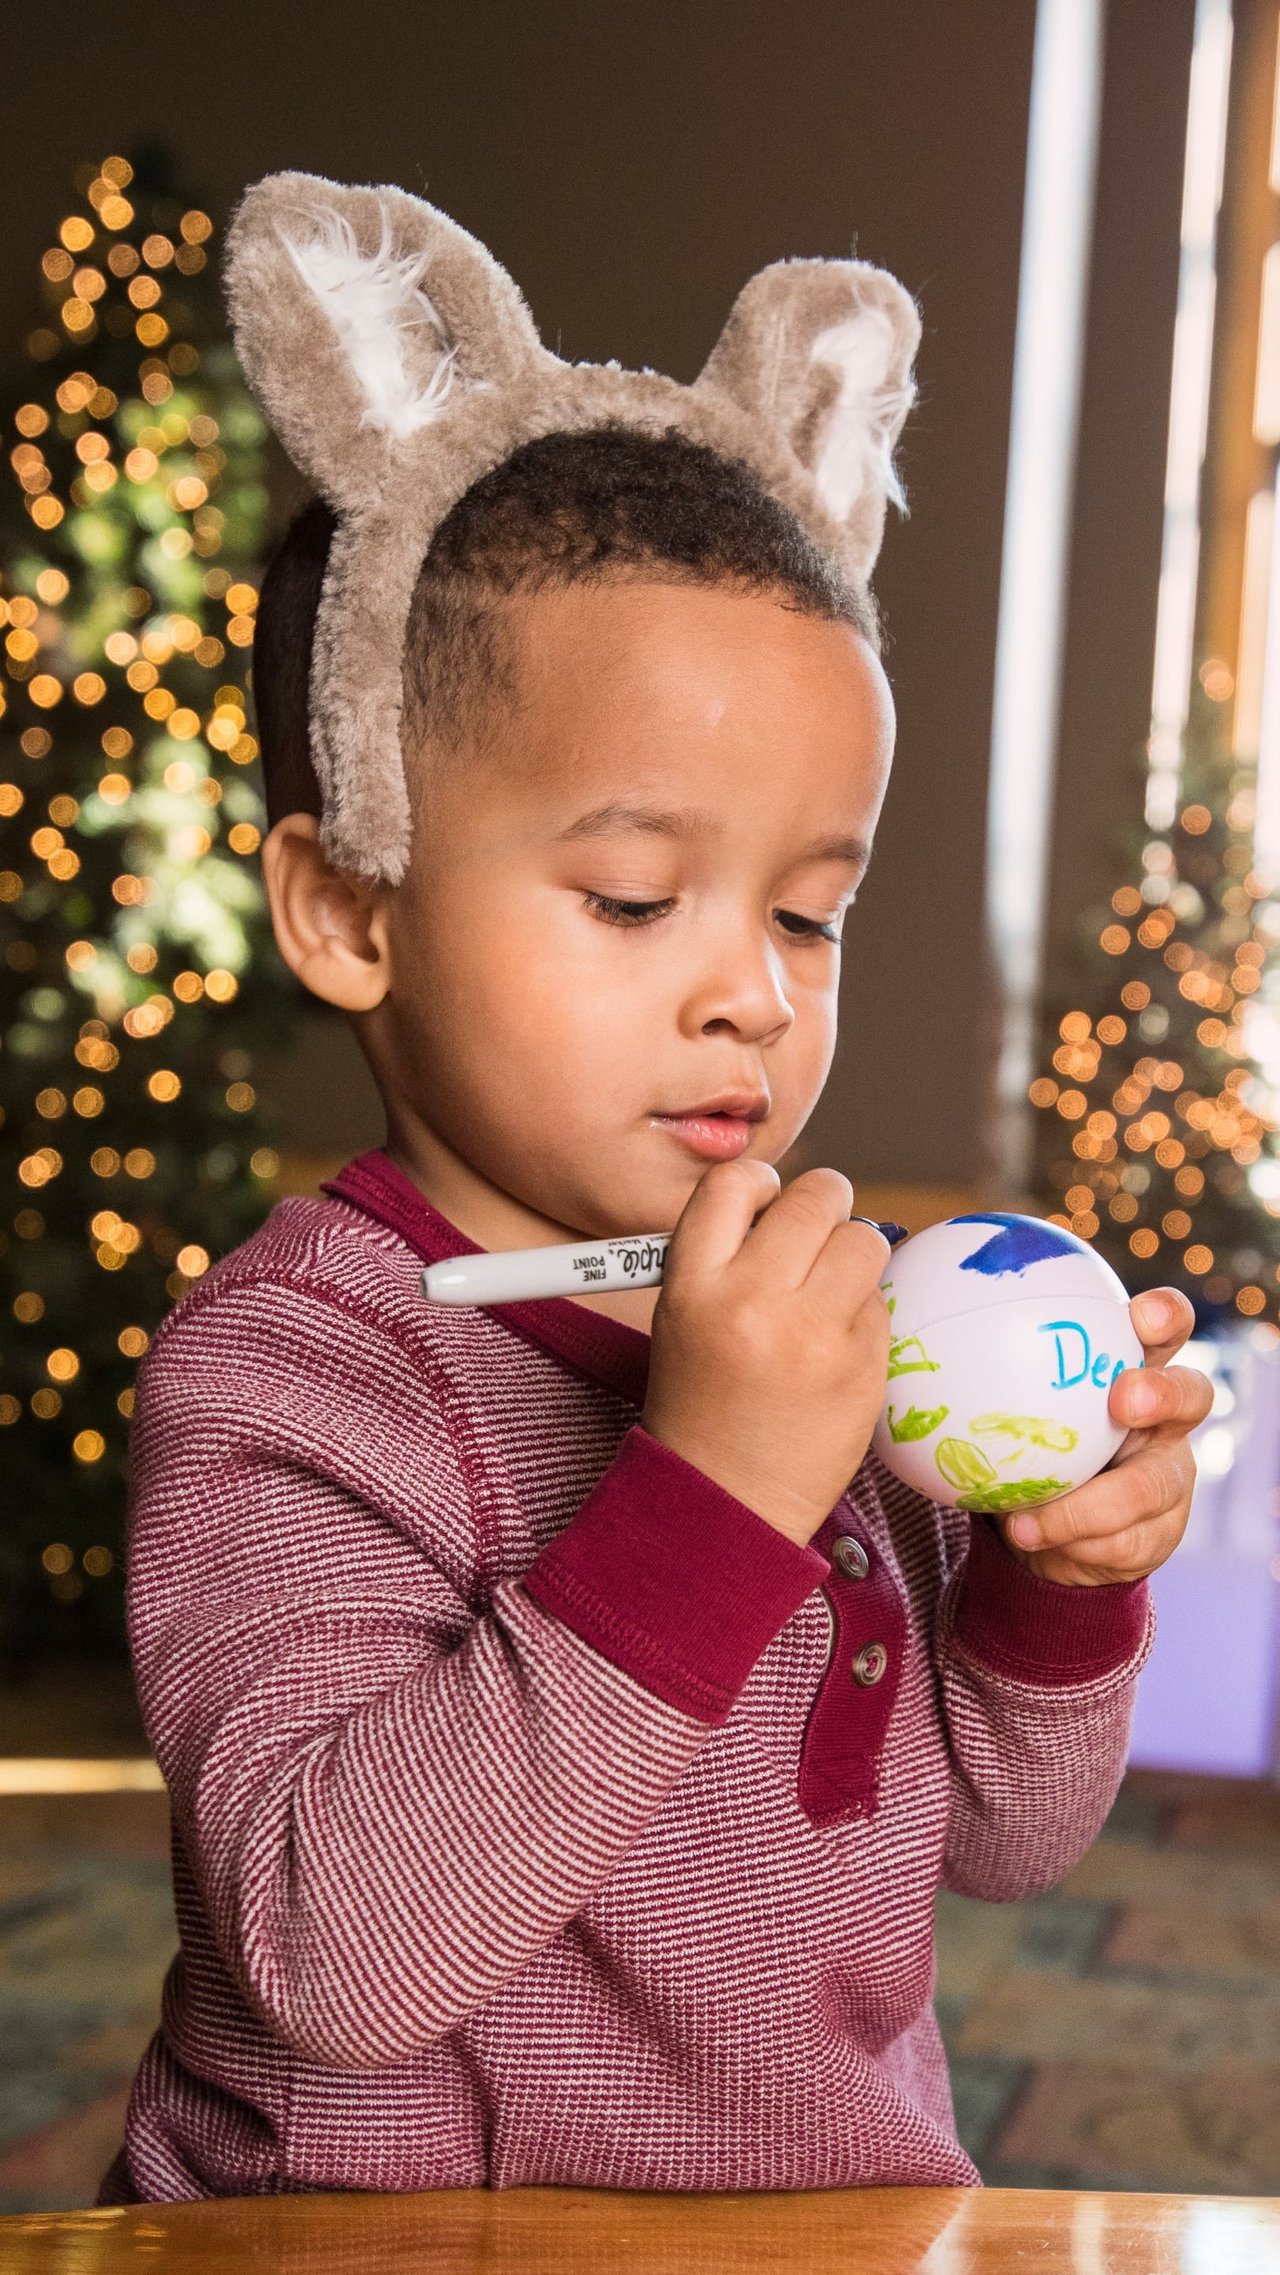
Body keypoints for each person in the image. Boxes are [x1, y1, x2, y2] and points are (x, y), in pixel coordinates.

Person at [97, 174, 1211, 2204]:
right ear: (350, 906)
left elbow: (998, 1838)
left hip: (828, 2222)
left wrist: (1057, 1590)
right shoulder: (289, 1375)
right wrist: (704, 1493)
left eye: (810, 910)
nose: (751, 994)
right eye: (632, 897)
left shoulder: (807, 1319)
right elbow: (335, 1952)